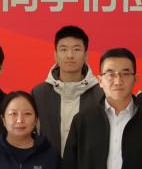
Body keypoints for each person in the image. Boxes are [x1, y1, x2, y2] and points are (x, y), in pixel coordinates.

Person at [31, 24, 104, 157]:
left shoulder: (101, 94)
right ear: (55, 55)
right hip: (48, 166)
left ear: (86, 55)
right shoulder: (39, 94)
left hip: (87, 167)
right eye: (63, 49)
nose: (70, 55)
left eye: (76, 49)